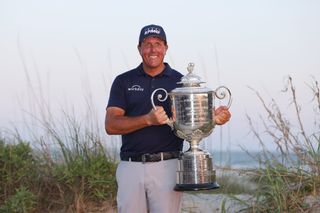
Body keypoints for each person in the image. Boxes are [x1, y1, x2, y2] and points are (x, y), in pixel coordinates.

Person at [105, 24, 231, 213]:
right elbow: (111, 125)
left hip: (167, 167)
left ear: (166, 48)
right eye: (147, 44)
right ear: (139, 49)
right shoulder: (124, 81)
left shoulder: (180, 82)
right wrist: (147, 119)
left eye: (158, 44)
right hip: (130, 167)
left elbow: (194, 119)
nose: (153, 49)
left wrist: (213, 118)